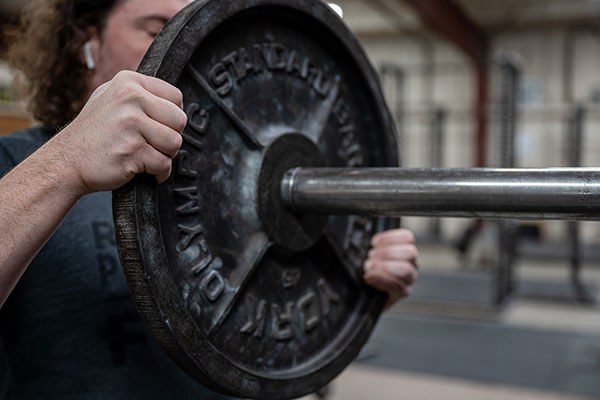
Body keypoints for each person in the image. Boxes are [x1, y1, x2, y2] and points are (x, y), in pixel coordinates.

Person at [0, 0, 419, 398]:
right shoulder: (19, 162)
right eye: (157, 28)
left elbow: (271, 344)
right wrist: (69, 161)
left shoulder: (232, 174)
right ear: (86, 44)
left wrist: (357, 292)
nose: (182, 43)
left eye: (191, 23)